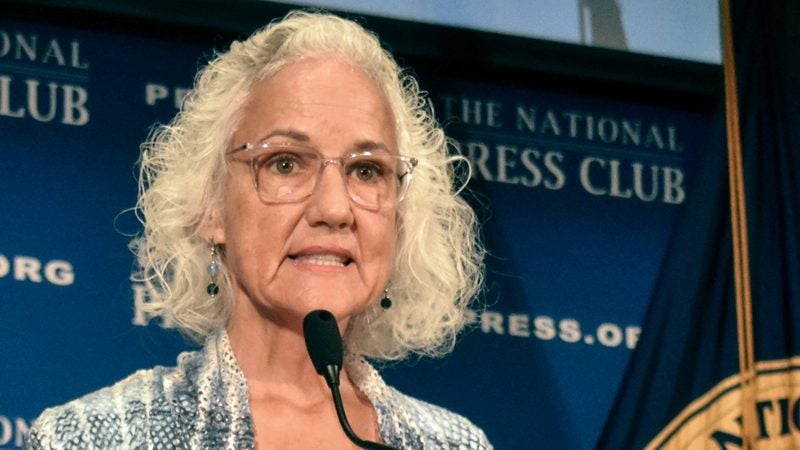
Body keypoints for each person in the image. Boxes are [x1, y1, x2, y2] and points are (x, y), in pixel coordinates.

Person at [25, 10, 489, 450]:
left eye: (367, 171)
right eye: (285, 163)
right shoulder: (94, 437)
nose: (333, 208)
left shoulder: (453, 444)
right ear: (211, 207)